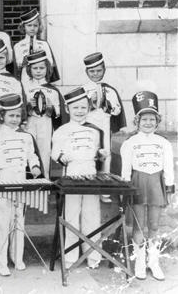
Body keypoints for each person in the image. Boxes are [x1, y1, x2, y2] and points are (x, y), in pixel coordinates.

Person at [0, 94, 42, 276]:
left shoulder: (27, 137)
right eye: (10, 116)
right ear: (1, 117)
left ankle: (17, 257)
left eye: (17, 116)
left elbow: (32, 156)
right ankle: (1, 261)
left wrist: (35, 166)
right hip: (2, 183)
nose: (14, 119)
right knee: (2, 222)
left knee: (19, 219)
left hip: (21, 181)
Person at [51, 87, 108, 269]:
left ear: (88, 109)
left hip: (91, 176)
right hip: (71, 176)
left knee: (92, 215)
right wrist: (61, 157)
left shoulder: (96, 130)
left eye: (83, 108)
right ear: (68, 109)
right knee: (72, 216)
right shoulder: (61, 130)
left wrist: (101, 154)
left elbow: (98, 153)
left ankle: (93, 257)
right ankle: (70, 257)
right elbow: (54, 153)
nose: (80, 111)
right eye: (75, 108)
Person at [120, 91, 175, 281]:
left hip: (156, 184)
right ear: (137, 121)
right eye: (144, 119)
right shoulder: (130, 143)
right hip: (137, 184)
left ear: (157, 121)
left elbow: (168, 167)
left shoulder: (163, 143)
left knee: (153, 224)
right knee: (138, 224)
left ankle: (154, 261)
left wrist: (169, 187)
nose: (148, 123)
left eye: (152, 119)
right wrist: (125, 189)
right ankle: (140, 262)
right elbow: (126, 169)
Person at [82, 52, 126, 203]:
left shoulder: (110, 90)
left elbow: (118, 110)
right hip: (88, 126)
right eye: (92, 71)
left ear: (104, 70)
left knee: (105, 156)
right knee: (89, 154)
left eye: (99, 70)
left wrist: (109, 104)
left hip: (105, 126)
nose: (95, 74)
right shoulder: (83, 90)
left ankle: (104, 191)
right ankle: (88, 188)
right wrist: (89, 102)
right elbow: (73, 109)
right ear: (86, 72)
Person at [23, 50, 68, 178]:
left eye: (41, 68)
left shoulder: (52, 90)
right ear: (29, 70)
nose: (38, 71)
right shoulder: (25, 88)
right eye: (35, 68)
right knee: (29, 150)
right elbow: (19, 110)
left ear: (47, 69)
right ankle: (28, 182)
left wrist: (51, 108)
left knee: (44, 151)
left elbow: (59, 112)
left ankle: (45, 180)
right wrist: (28, 107)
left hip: (45, 123)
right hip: (30, 123)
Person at [13, 9, 59, 83]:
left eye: (35, 25)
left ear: (39, 26)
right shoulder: (18, 46)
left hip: (42, 79)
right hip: (25, 78)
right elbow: (16, 65)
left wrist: (42, 59)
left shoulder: (44, 44)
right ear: (23, 27)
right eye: (29, 25)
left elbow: (50, 62)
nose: (32, 28)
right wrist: (23, 62)